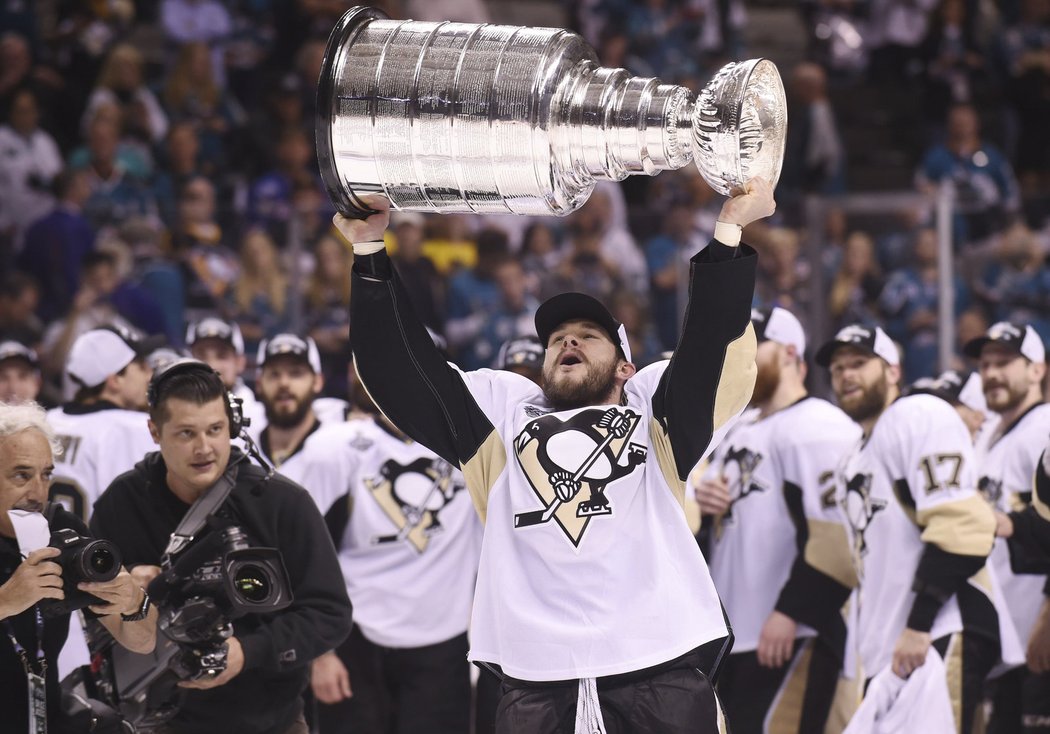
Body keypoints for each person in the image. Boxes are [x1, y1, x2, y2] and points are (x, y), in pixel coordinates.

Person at [336, 178, 774, 733]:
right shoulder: (501, 425)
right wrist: (370, 254)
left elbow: (712, 350)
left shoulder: (653, 418)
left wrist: (729, 232)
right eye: (557, 338)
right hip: (536, 679)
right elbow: (404, 376)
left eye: (589, 336)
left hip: (658, 668)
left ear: (624, 367)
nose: (568, 342)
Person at [90, 359, 352, 734]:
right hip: (155, 720)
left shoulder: (281, 502)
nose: (205, 448)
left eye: (215, 430)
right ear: (154, 430)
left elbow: (330, 613)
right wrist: (127, 592)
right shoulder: (123, 501)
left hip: (268, 721)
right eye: (185, 433)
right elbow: (89, 605)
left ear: (232, 425)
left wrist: (247, 653)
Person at [816, 324, 997, 734]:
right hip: (892, 649)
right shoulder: (854, 454)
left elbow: (963, 531)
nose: (846, 375)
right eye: (838, 368)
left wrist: (919, 624)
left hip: (937, 631)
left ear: (893, 371)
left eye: (859, 363)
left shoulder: (918, 414)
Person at [693, 307, 861, 734]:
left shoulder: (820, 425)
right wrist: (700, 498)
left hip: (793, 632)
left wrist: (791, 611)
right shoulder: (737, 427)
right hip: (734, 635)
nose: (739, 358)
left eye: (753, 345)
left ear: (789, 352)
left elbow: (838, 539)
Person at [310, 361, 482, 734]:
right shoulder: (335, 446)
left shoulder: (474, 445)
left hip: (444, 645)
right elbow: (303, 557)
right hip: (354, 640)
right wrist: (320, 653)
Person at [0, 401, 156, 734]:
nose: (37, 493)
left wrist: (135, 604)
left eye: (46, 475)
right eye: (21, 475)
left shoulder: (63, 530)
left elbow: (143, 643)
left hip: (46, 719)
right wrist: (6, 601)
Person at [961, 321, 1050, 732]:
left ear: (1037, 370)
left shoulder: (1045, 426)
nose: (992, 373)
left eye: (1006, 362)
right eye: (986, 363)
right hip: (1004, 632)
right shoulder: (989, 435)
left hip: (1037, 629)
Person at [0, 340, 42, 404]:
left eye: (23, 377)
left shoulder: (53, 414)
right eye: (3, 378)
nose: (13, 387)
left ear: (37, 383)